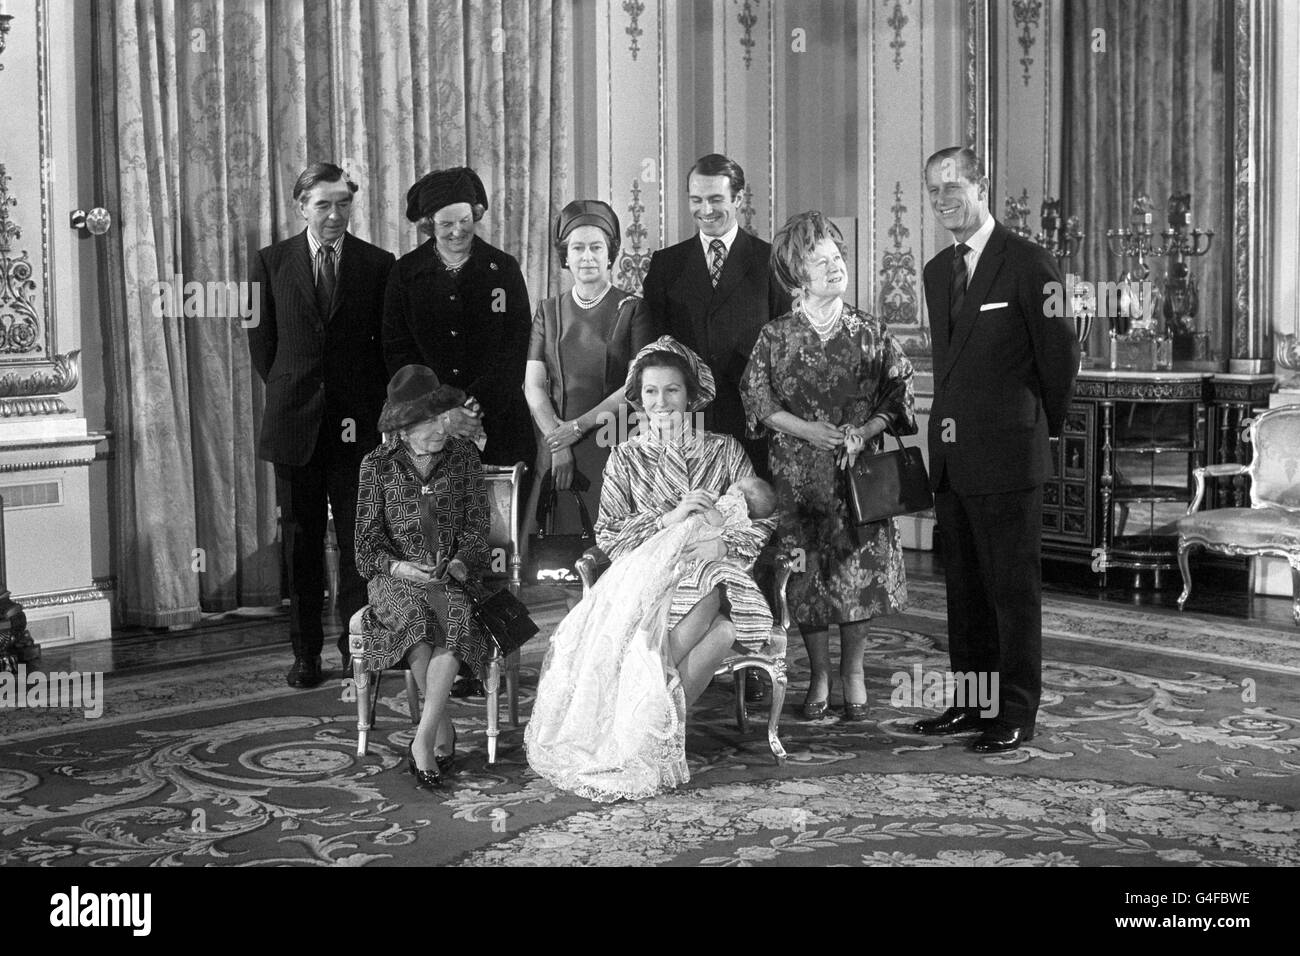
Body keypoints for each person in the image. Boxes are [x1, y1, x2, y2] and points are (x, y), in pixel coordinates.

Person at [525, 338, 777, 802]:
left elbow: (761, 518)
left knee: (715, 602)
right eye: (652, 393)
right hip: (643, 574)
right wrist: (668, 518)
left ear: (692, 396)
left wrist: (724, 541)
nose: (662, 403)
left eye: (673, 392)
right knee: (718, 629)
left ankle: (645, 720)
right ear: (639, 400)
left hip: (711, 566)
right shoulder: (626, 456)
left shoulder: (724, 451)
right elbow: (610, 536)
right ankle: (652, 723)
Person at [915, 147, 1079, 753]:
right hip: (955, 457)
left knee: (1012, 590)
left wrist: (1036, 430)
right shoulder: (936, 271)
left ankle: (1015, 713)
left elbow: (1061, 359)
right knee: (965, 590)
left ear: (981, 184)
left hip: (1010, 454)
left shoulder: (1032, 263)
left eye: (952, 186)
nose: (941, 199)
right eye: (933, 190)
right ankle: (971, 703)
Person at [742, 211, 916, 722]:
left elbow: (899, 390)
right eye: (820, 260)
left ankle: (853, 673)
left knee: (857, 576)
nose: (834, 266)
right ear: (798, 273)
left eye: (837, 257)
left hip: (857, 478)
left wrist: (865, 432)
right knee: (808, 578)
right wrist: (809, 431)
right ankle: (818, 674)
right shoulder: (774, 337)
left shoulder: (870, 331)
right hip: (797, 480)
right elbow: (757, 400)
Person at [247, 162, 395, 688]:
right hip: (295, 429)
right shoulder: (270, 262)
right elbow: (263, 348)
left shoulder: (379, 264)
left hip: (358, 429)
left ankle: (358, 649)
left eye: (343, 203)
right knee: (302, 546)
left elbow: (386, 348)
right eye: (323, 205)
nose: (334, 215)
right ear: (301, 207)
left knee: (361, 544)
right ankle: (306, 654)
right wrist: (298, 395)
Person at [353, 365, 493, 791]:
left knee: (452, 620)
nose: (438, 428)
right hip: (395, 578)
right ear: (401, 428)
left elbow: (477, 528)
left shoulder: (464, 456)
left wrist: (458, 563)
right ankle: (437, 732)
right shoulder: (377, 465)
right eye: (425, 421)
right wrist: (399, 567)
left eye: (441, 417)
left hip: (451, 574)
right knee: (417, 617)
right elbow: (364, 544)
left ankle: (423, 738)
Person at [641, 153, 791, 481]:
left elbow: (787, 349)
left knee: (751, 522)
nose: (705, 210)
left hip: (752, 425)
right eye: (696, 200)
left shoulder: (770, 260)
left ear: (738, 199)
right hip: (686, 426)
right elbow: (652, 352)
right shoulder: (666, 265)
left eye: (715, 199)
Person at [383, 166, 535, 469]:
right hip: (424, 431)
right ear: (429, 224)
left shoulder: (502, 269)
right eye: (446, 223)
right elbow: (398, 352)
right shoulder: (405, 274)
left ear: (475, 215)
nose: (457, 231)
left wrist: (476, 403)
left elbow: (516, 347)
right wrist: (442, 413)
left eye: (465, 220)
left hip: (500, 427)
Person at [523, 199, 654, 540]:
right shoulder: (548, 312)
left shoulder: (633, 310)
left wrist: (576, 429)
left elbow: (636, 387)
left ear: (611, 253)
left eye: (596, 247)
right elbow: (533, 386)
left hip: (613, 442)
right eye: (577, 248)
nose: (587, 257)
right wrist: (559, 442)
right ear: (565, 256)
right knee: (552, 562)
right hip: (555, 447)